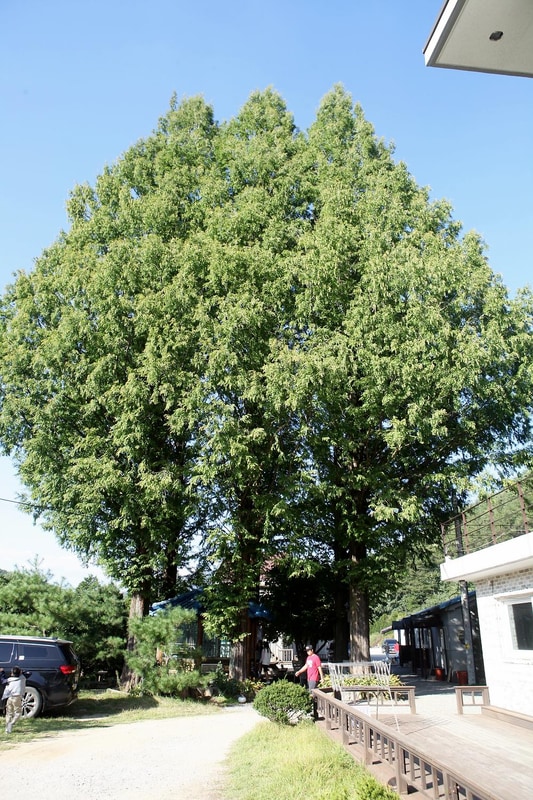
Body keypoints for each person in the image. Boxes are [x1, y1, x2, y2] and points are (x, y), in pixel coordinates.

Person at [2, 666, 26, 734]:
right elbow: (29, 673)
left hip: (10, 697)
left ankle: (8, 729)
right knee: (18, 712)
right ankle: (12, 723)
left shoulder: (9, 680)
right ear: (20, 673)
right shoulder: (22, 678)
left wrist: (2, 672)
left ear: (12, 673)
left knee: (9, 713)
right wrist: (21, 672)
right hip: (17, 698)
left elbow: (2, 680)